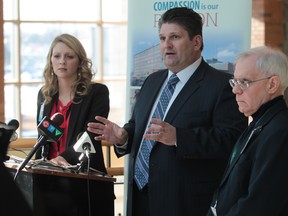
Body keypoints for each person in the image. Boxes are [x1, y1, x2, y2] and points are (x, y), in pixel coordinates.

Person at [87, 7, 247, 216]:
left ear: (196, 42)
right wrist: (124, 136)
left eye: (175, 37)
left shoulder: (220, 86)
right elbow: (139, 125)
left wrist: (179, 137)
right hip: (140, 198)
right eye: (162, 38)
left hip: (185, 202)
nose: (166, 45)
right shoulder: (152, 81)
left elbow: (232, 140)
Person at [207, 46, 288, 216]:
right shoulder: (260, 122)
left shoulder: (280, 131)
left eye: (244, 82)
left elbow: (260, 205)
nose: (235, 90)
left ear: (272, 84)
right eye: (234, 82)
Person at [35, 33, 109, 174]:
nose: (62, 61)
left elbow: (91, 136)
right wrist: (35, 168)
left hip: (83, 175)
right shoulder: (44, 94)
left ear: (80, 61)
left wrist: (62, 158)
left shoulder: (97, 92)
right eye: (57, 56)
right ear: (50, 60)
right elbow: (42, 136)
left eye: (69, 56)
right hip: (48, 176)